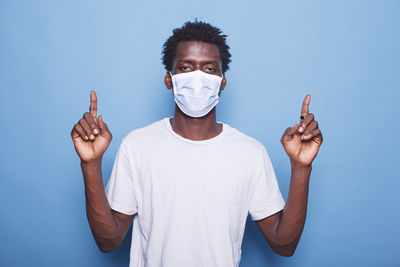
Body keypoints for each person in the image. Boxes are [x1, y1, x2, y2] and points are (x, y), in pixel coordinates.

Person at [71, 20, 323, 267]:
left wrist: (301, 167)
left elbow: (284, 245)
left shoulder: (249, 153)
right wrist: (90, 164)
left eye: (210, 69)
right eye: (185, 67)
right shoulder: (137, 146)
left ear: (222, 82)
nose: (198, 78)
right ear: (169, 79)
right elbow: (109, 241)